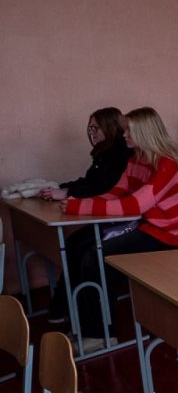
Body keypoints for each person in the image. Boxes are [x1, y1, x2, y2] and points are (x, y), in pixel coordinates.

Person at [59, 107, 178, 353]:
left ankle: (100, 335)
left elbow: (136, 205)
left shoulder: (167, 164)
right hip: (143, 227)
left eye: (129, 130)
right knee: (83, 248)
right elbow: (117, 193)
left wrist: (81, 206)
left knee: (96, 257)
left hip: (164, 236)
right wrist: (79, 202)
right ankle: (84, 326)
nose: (124, 135)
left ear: (144, 133)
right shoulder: (135, 160)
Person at [41, 107, 134, 323]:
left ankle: (72, 310)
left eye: (96, 128)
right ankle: (65, 306)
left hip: (123, 220)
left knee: (84, 249)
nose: (92, 134)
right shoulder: (105, 152)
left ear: (110, 128)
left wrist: (68, 193)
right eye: (89, 129)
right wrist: (60, 188)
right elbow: (90, 182)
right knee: (75, 242)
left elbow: (105, 188)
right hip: (110, 215)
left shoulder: (122, 154)